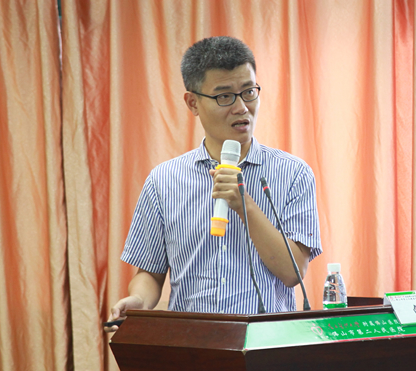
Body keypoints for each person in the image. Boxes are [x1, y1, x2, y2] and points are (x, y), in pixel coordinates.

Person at [106, 36, 322, 330]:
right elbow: (150, 274)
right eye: (224, 96)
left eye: (249, 92)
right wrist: (139, 301)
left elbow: (293, 273)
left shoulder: (294, 173)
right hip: (192, 343)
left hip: (266, 344)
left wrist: (244, 205)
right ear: (193, 103)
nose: (242, 108)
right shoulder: (163, 181)